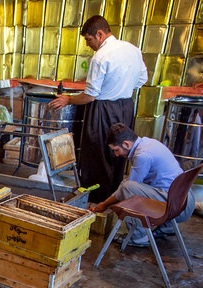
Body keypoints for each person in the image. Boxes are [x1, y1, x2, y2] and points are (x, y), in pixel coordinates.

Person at [49, 15, 147, 204]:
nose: (88, 44)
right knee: (120, 151)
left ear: (100, 34)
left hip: (103, 109)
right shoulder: (133, 50)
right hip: (126, 106)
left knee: (98, 153)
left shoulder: (101, 57)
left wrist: (67, 99)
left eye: (88, 39)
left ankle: (96, 200)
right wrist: (121, 86)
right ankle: (115, 197)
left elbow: (90, 95)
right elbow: (142, 79)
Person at [89, 123, 195, 247]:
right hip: (185, 199)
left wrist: (104, 204)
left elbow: (128, 188)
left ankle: (139, 237)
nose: (117, 155)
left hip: (178, 207)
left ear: (126, 144)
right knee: (129, 185)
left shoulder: (142, 155)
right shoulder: (149, 143)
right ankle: (167, 227)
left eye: (116, 150)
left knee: (127, 188)